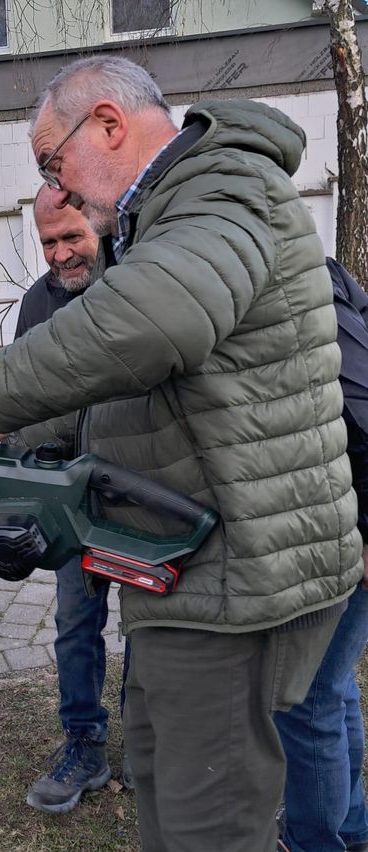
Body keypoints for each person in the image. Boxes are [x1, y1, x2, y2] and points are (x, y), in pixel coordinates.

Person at [0, 55, 362, 852]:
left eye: (54, 163)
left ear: (107, 124)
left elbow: (151, 323)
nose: (61, 189)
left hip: (238, 579)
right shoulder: (162, 217)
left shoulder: (223, 188)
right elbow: (131, 385)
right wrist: (8, 434)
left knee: (209, 820)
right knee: (159, 779)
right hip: (188, 568)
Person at [9, 188, 115, 813]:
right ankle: (84, 743)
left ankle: (152, 743)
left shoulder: (136, 284)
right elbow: (25, 396)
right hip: (71, 499)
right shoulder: (38, 301)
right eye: (48, 241)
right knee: (76, 626)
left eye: (72, 237)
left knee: (154, 633)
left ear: (100, 223)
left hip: (143, 492)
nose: (60, 254)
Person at [274, 257, 368, 852]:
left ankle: (313, 841)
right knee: (331, 688)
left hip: (351, 528)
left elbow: (362, 399)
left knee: (307, 696)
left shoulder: (299, 281)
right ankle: (349, 828)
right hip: (338, 521)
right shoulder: (312, 274)